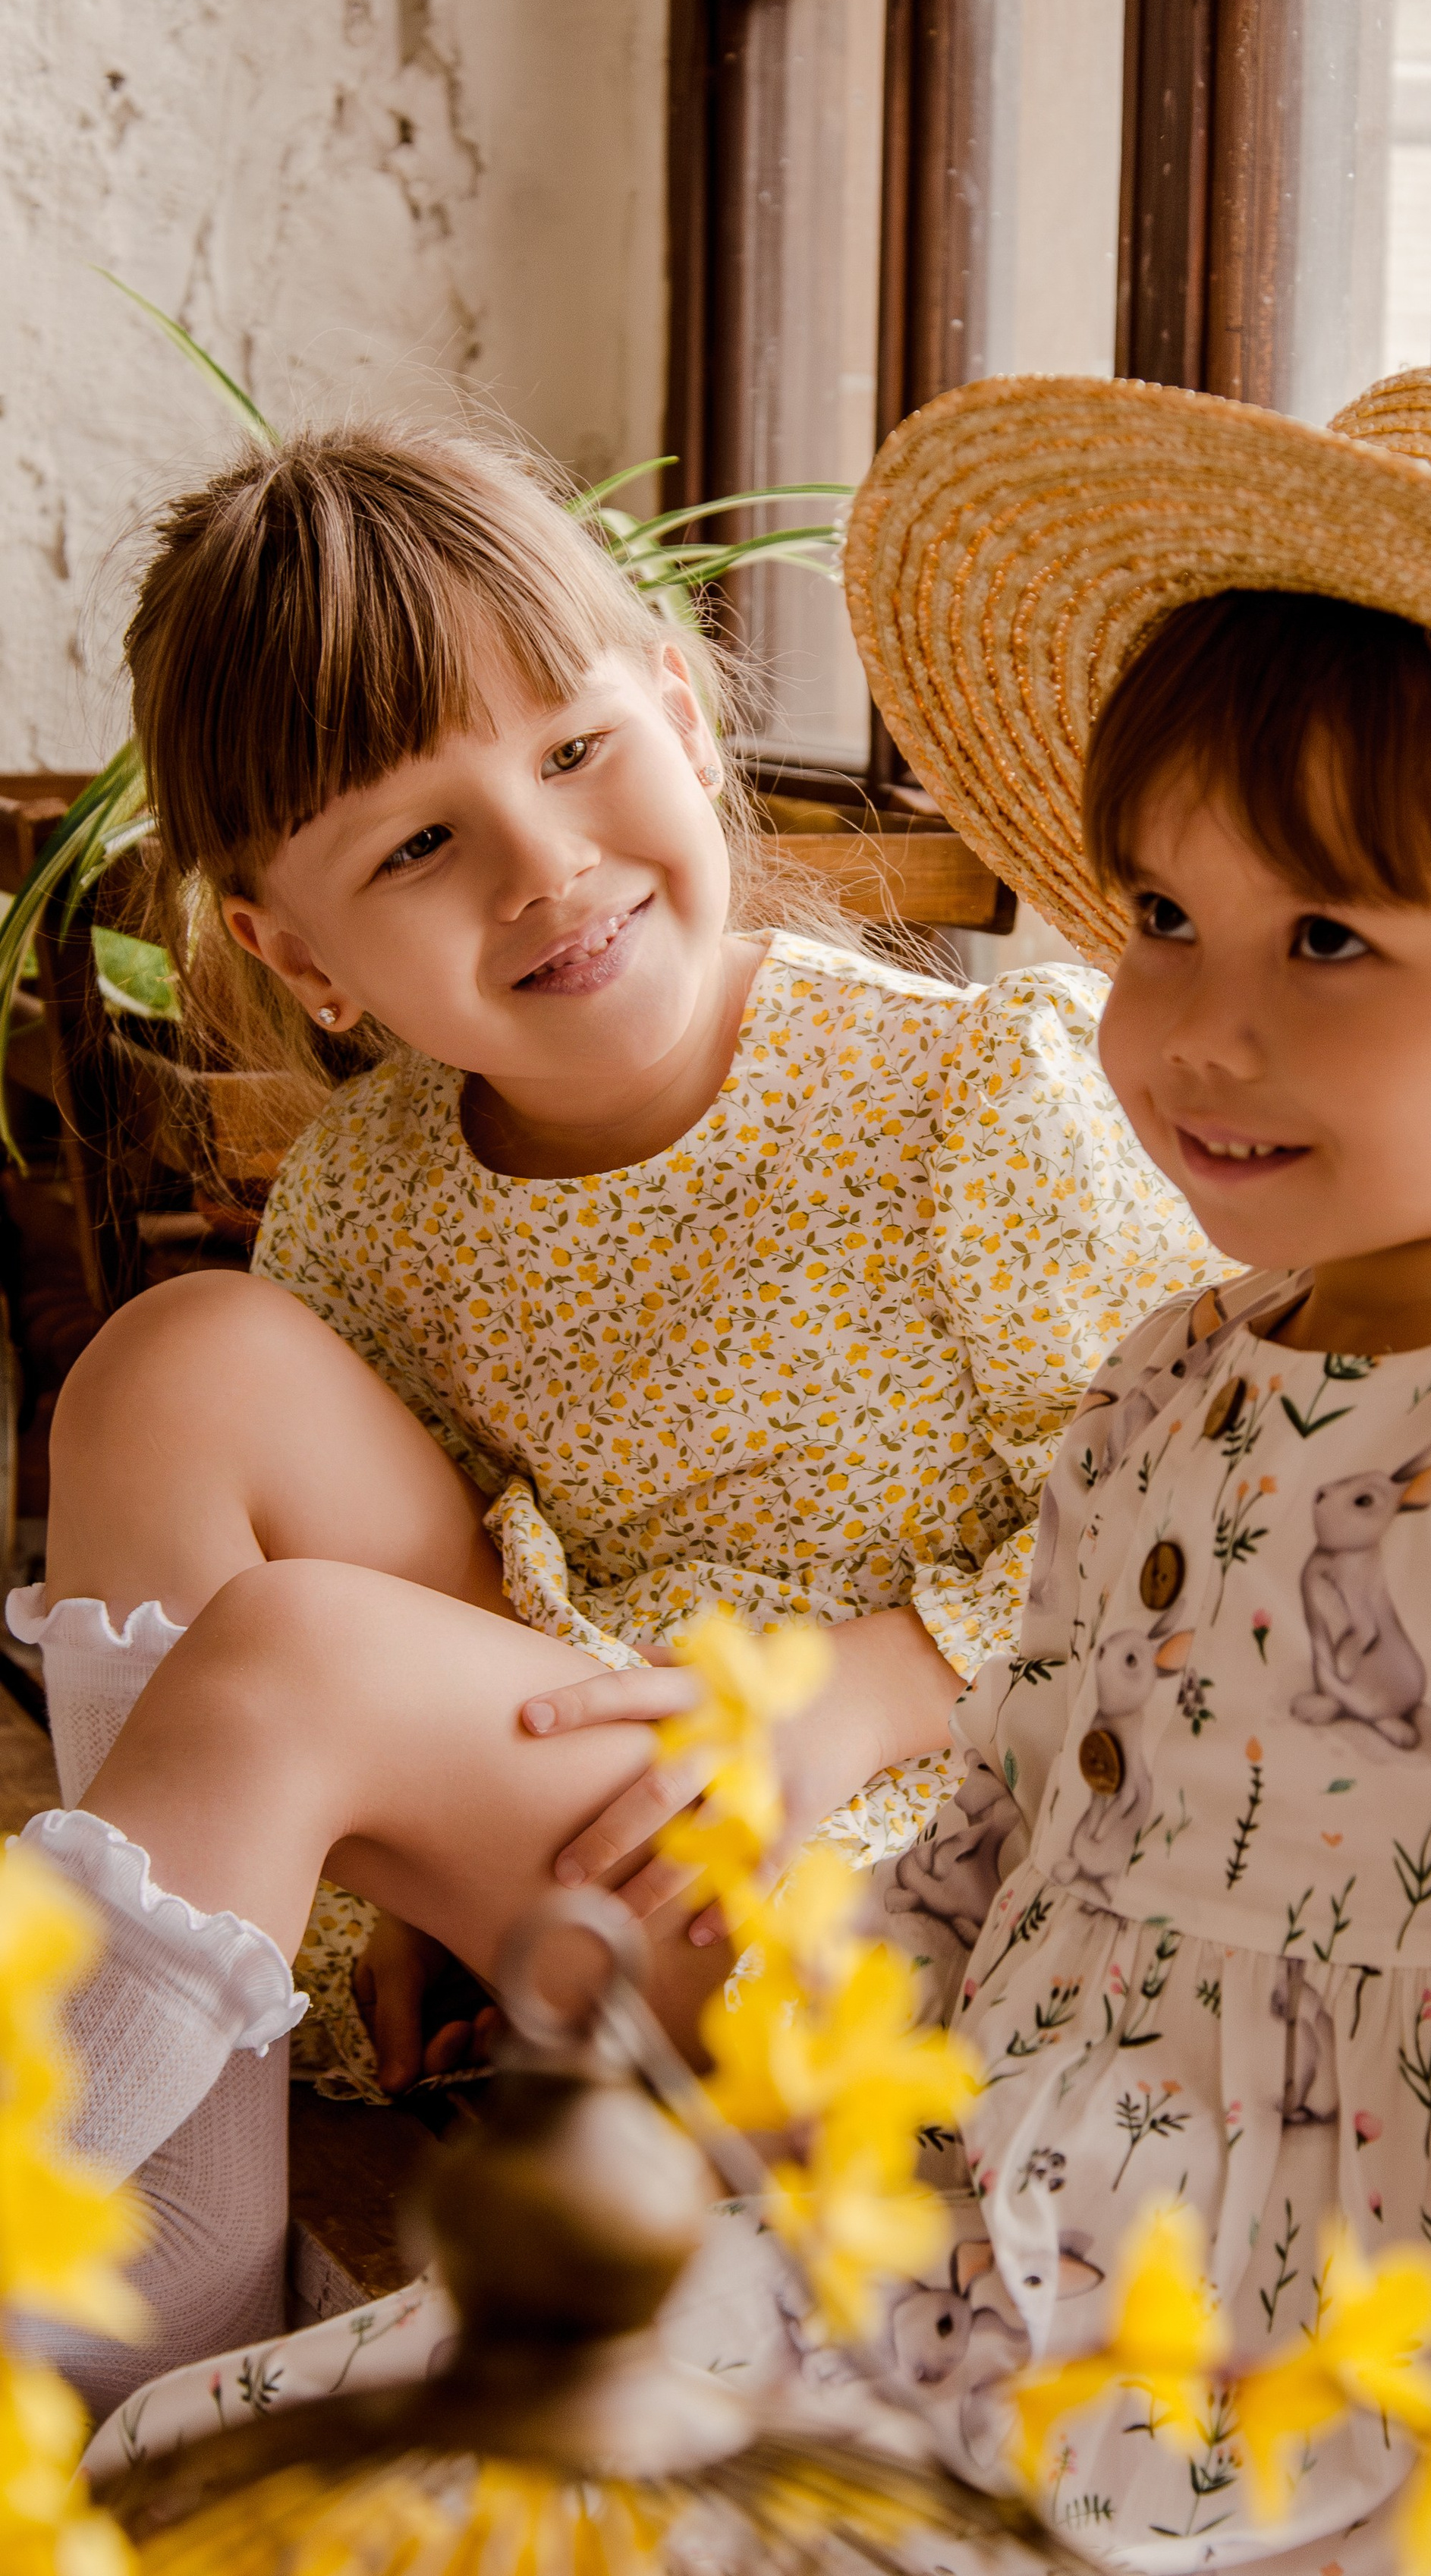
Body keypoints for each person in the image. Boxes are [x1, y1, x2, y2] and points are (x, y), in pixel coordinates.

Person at [52, 364, 1431, 2576]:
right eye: (1161, 920)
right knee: (280, 2487)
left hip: (1356, 2300)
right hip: (1012, 2159)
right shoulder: (1178, 1380)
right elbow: (1017, 1824)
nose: (1199, 1027)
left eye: (1325, 939)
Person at [5, 424, 1216, 2412]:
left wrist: (880, 1680)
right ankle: (174, 2296)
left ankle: (52, 2305)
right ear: (296, 955)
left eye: (571, 751)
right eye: (415, 844)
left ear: (674, 700)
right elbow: (365, 1596)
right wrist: (371, 1854)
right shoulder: (378, 1193)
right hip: (593, 1842)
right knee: (169, 1368)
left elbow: (1205, 1525)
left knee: (304, 1653)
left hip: (895, 1888)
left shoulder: (960, 1105)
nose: (544, 860)